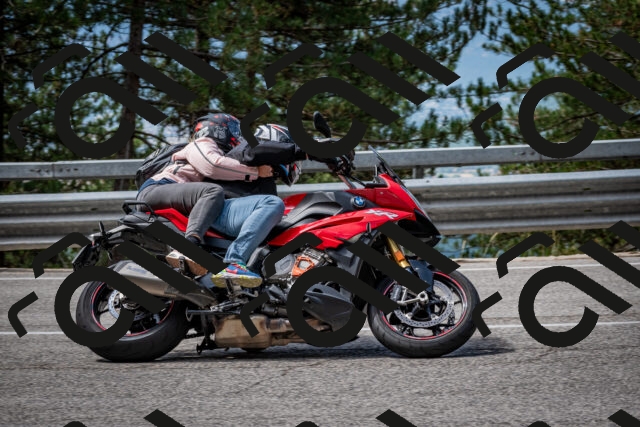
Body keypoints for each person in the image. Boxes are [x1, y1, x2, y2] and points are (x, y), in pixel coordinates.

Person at [136, 113, 274, 277]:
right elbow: (212, 166)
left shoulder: (212, 148)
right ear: (219, 129)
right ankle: (187, 247)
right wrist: (255, 172)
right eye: (233, 130)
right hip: (158, 188)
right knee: (212, 191)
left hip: (170, 192)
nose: (236, 135)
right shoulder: (202, 143)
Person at [194, 120, 315, 288]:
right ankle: (234, 262)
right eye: (286, 146)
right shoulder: (247, 150)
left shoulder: (266, 179)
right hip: (220, 211)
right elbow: (259, 151)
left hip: (230, 217)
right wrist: (306, 151)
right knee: (273, 204)